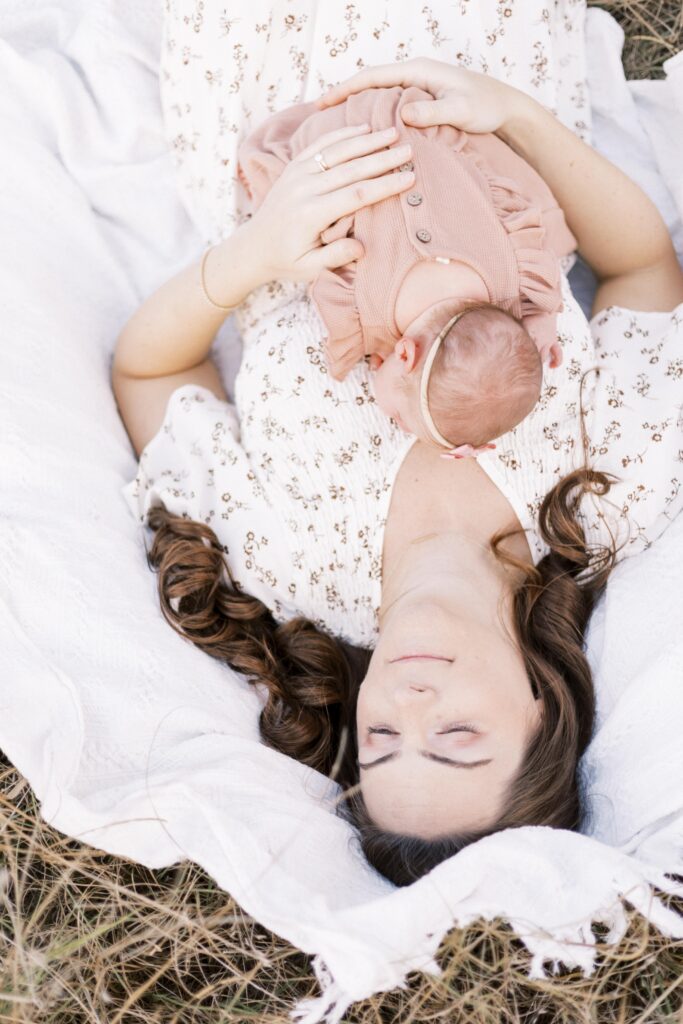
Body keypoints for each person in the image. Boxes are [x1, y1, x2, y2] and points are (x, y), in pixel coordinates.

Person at [112, 59, 683, 885]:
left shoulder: (281, 561)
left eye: (380, 743)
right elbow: (643, 272)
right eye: (456, 739)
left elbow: (150, 374)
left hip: (264, 103)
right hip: (474, 76)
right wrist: (516, 112)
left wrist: (257, 251)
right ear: (541, 710)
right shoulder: (608, 498)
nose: (411, 711)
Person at [237, 83, 577, 455]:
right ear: (404, 354)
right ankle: (265, 170)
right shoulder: (364, 315)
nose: (396, 424)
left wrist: (541, 321)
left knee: (503, 177)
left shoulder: (512, 280)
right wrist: (375, 348)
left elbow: (542, 271)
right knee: (290, 212)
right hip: (331, 144)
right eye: (399, 418)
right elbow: (323, 285)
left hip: (414, 121)